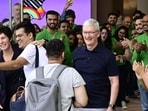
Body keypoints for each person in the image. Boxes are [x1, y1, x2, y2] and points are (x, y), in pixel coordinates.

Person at [26, 39, 88, 111]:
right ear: (63, 54)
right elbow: (82, 102)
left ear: (46, 54)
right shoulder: (71, 72)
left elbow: (28, 100)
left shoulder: (33, 74)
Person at [73, 18, 119, 111]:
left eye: (91, 32)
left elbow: (114, 82)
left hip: (100, 105)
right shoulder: (77, 53)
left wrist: (111, 106)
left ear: (98, 34)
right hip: (79, 105)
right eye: (85, 32)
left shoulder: (107, 55)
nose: (87, 36)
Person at [0, 26, 25, 111]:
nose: (1, 42)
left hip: (22, 97)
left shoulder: (21, 51)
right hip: (5, 101)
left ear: (10, 38)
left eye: (3, 38)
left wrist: (44, 41)